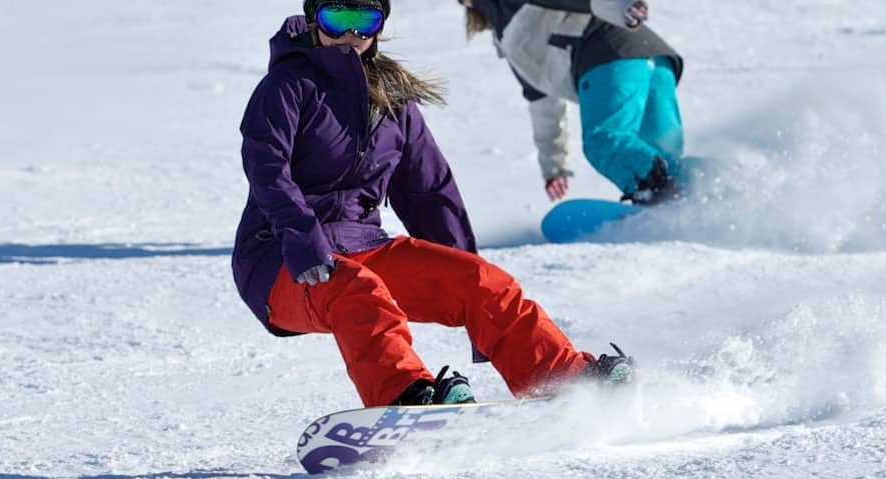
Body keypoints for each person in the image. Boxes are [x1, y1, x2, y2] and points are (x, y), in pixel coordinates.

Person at [233, 0, 636, 408]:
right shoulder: (287, 85)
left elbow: (430, 192)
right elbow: (267, 169)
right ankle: (405, 395)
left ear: (379, 28)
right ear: (315, 20)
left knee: (483, 282)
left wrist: (467, 288)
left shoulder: (393, 101)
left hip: (361, 244)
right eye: (336, 20)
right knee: (359, 291)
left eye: (364, 22)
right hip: (281, 259)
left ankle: (558, 379)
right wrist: (303, 240)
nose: (350, 36)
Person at [460, 0, 686, 204]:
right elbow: (543, 102)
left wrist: (620, 5)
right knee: (661, 155)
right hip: (653, 60)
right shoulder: (507, 37)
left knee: (605, 141)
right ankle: (691, 194)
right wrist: (554, 166)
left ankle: (653, 194)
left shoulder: (511, 11)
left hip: (609, 53)